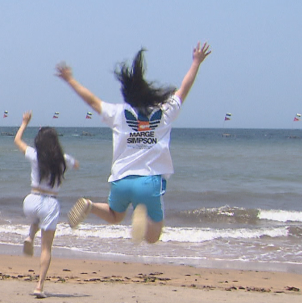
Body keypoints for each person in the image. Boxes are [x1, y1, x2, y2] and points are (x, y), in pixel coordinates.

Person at [57, 42, 211, 244]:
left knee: (115, 216)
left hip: (121, 180)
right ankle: (143, 217)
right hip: (148, 182)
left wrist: (70, 80)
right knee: (153, 238)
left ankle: (90, 205)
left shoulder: (119, 113)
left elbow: (92, 101)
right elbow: (184, 89)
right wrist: (196, 62)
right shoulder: (165, 111)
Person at [14, 111, 79, 297]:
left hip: (31, 200)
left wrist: (24, 122)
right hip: (50, 203)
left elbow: (17, 141)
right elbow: (76, 164)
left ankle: (30, 236)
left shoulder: (35, 155)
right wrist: (70, 162)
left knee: (36, 218)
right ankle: (39, 286)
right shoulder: (63, 159)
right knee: (46, 248)